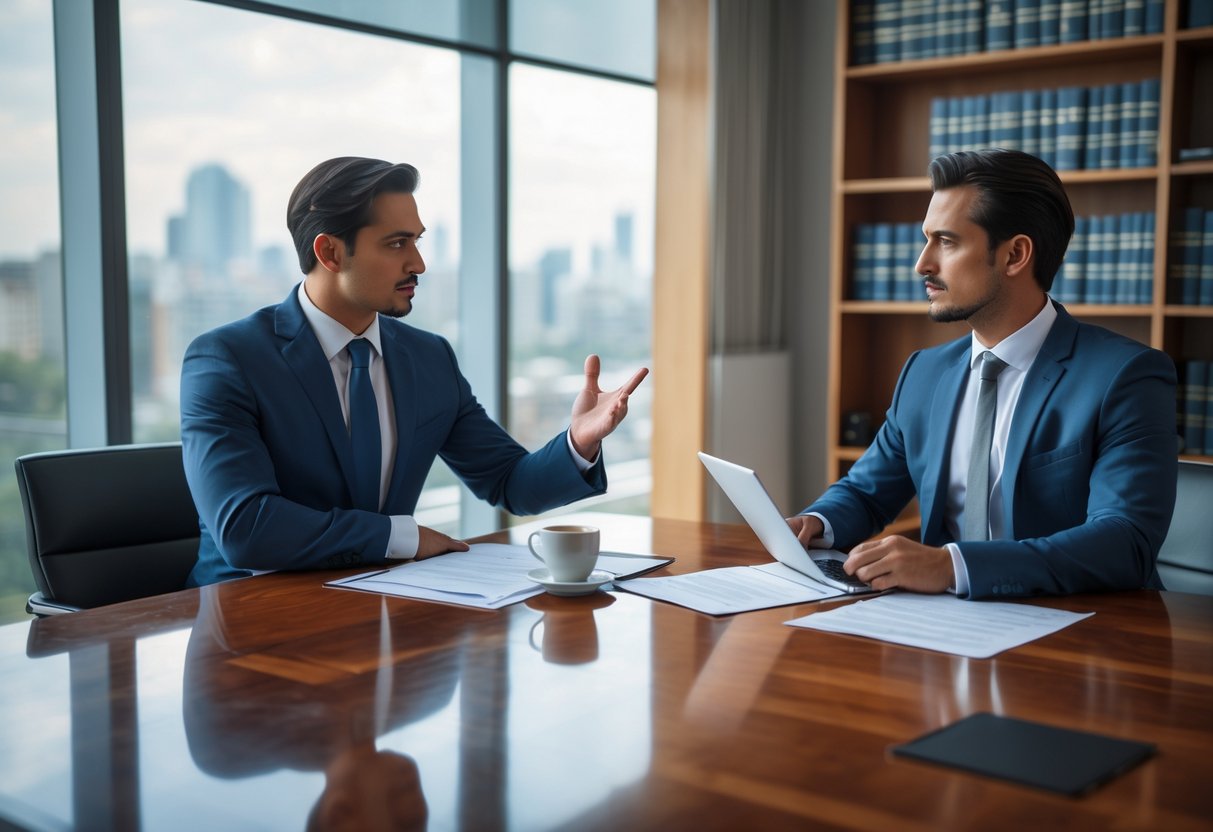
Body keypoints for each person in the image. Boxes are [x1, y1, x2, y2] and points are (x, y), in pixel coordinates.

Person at [181, 156, 648, 586]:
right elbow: (246, 530)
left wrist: (579, 442)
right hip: (245, 614)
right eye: (396, 243)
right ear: (330, 253)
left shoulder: (429, 358)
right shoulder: (227, 360)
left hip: (383, 606)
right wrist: (403, 537)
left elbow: (510, 482)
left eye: (417, 240)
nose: (418, 263)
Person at [788, 148, 1177, 599]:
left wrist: (952, 566)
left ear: (1015, 255)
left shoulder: (1125, 377)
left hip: (1076, 625)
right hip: (939, 622)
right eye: (926, 239)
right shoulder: (924, 373)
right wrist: (815, 523)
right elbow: (866, 492)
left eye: (946, 241)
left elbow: (1125, 541)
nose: (922, 264)